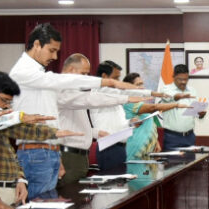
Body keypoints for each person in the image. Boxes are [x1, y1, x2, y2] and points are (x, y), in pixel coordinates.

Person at [9, 23, 135, 199]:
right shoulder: (25, 72)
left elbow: (52, 118)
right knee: (41, 208)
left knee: (51, 207)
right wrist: (108, 83)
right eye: (52, 50)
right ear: (37, 44)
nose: (54, 57)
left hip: (48, 150)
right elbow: (77, 92)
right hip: (36, 152)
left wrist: (56, 152)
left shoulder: (39, 74)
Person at [0, 71, 80, 209]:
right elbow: (19, 129)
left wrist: (20, 179)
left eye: (9, 102)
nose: (6, 106)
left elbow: (10, 152)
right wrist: (52, 132)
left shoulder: (0, 117)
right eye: (4, 100)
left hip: (9, 188)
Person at [56, 54, 146, 187]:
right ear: (71, 70)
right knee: (70, 193)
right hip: (70, 155)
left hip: (82, 155)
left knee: (80, 195)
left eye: (87, 74)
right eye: (83, 74)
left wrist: (94, 132)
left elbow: (74, 124)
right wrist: (126, 98)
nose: (86, 78)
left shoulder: (76, 90)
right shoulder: (62, 89)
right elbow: (91, 100)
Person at [122, 73, 187, 160]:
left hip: (149, 148)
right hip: (137, 149)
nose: (142, 87)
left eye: (142, 84)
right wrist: (176, 104)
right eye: (138, 84)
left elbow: (148, 125)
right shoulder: (129, 103)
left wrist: (155, 142)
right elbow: (154, 108)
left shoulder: (141, 102)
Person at [159, 64, 206, 151]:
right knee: (172, 160)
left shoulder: (192, 90)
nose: (183, 82)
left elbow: (195, 112)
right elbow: (172, 97)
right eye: (180, 79)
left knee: (190, 160)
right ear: (173, 77)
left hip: (190, 136)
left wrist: (201, 114)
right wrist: (179, 96)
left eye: (186, 79)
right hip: (172, 137)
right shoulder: (166, 89)